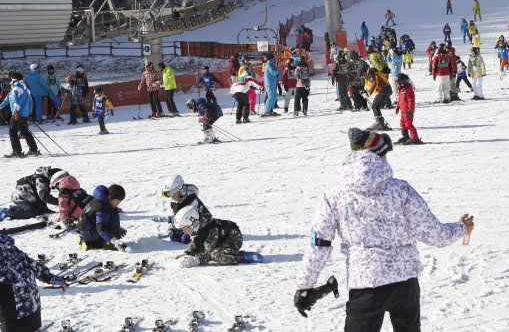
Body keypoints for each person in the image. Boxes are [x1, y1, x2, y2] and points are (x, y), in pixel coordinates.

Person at [294, 128, 473, 327]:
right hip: (405, 284)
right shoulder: (401, 190)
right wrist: (461, 228)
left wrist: (304, 286)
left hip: (366, 285)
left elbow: (319, 246)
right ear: (379, 156)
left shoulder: (333, 197)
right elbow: (434, 235)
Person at [0, 234, 68, 331]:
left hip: (15, 309)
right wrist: (48, 276)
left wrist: (49, 277)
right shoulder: (7, 245)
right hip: (31, 303)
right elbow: (29, 262)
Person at [174, 204, 262, 267]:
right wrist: (187, 253)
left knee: (216, 255)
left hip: (233, 238)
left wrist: (196, 260)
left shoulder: (209, 230)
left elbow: (208, 253)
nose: (183, 231)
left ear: (192, 223)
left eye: (184, 228)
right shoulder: (197, 227)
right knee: (202, 249)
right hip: (217, 241)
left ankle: (243, 256)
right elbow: (196, 242)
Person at [159, 174, 213, 245]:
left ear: (180, 189)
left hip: (198, 225)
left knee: (185, 239)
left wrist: (191, 232)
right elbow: (176, 216)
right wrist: (171, 229)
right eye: (168, 194)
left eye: (172, 193)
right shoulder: (175, 201)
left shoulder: (191, 199)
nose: (171, 196)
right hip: (185, 223)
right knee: (174, 238)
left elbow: (197, 220)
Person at [77, 184, 131, 252]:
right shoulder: (102, 207)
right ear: (110, 196)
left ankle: (87, 240)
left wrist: (117, 228)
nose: (118, 203)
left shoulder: (101, 198)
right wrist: (114, 241)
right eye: (117, 201)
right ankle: (100, 243)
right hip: (89, 233)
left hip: (87, 229)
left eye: (119, 201)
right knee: (113, 214)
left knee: (113, 211)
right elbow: (101, 229)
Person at [0, 73, 38, 158]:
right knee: (25, 131)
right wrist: (29, 113)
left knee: (12, 132)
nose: (10, 81)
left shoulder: (16, 89)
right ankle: (33, 149)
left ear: (14, 79)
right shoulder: (25, 89)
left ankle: (17, 152)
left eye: (11, 79)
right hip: (24, 114)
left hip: (17, 114)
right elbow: (30, 102)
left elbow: (16, 102)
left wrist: (16, 112)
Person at [394, 73, 422, 145]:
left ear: (402, 83)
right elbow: (400, 99)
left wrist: (410, 109)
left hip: (408, 111)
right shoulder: (402, 90)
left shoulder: (408, 89)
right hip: (403, 111)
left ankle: (415, 138)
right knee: (402, 124)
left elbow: (411, 100)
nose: (396, 85)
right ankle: (406, 137)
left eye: (397, 83)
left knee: (408, 124)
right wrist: (398, 106)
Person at [261, 52, 280, 116]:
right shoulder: (268, 65)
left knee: (274, 97)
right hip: (269, 84)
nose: (265, 58)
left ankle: (271, 110)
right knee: (271, 97)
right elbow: (274, 73)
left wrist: (276, 68)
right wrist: (276, 68)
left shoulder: (272, 65)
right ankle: (266, 111)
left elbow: (278, 73)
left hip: (273, 83)